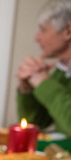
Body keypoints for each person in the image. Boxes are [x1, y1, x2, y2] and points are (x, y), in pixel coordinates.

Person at [16, 0, 71, 137]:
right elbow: (34, 124)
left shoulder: (52, 79)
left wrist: (44, 84)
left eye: (43, 30)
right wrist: (27, 90)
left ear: (68, 31)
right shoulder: (60, 73)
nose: (37, 38)